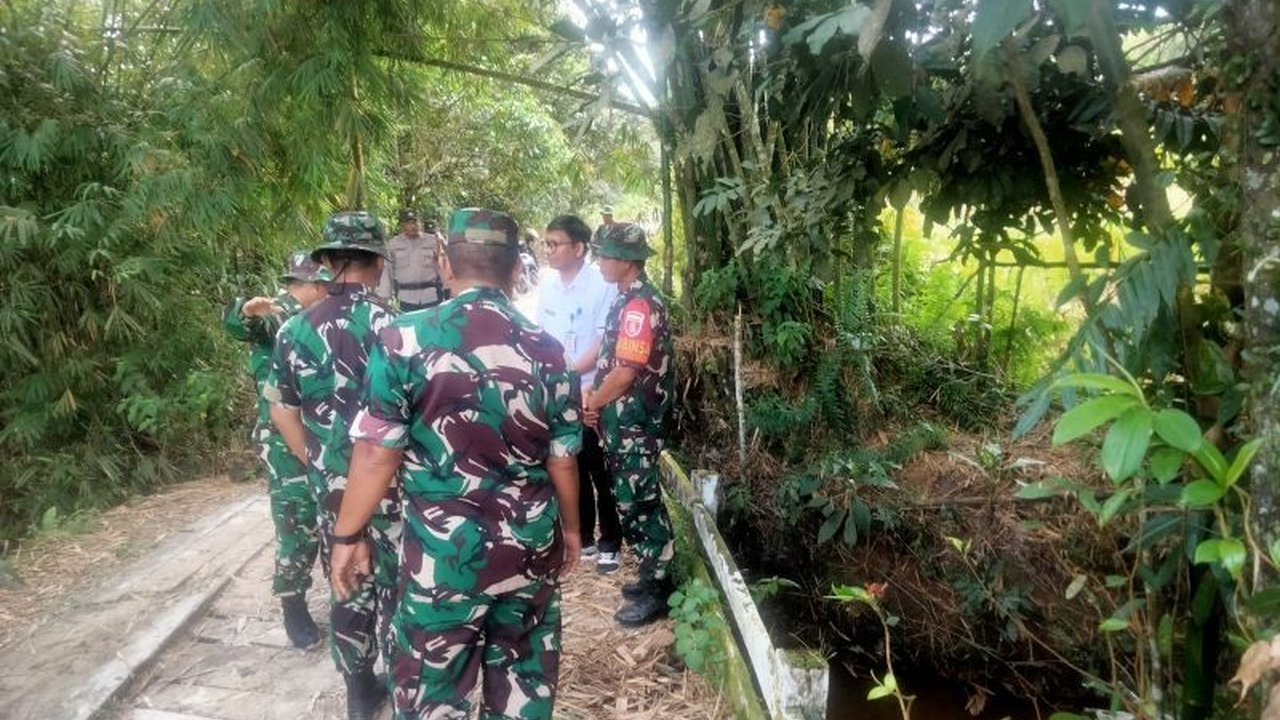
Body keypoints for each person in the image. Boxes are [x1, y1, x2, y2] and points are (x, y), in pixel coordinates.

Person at [331, 208, 583, 720]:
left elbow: (377, 453)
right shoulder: (549, 351)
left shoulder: (403, 339)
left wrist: (347, 535)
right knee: (523, 686)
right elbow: (563, 460)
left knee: (431, 694)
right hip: (529, 550)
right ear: (517, 269)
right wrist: (573, 530)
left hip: (442, 560)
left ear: (444, 263)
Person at [264, 211, 402, 720]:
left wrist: (317, 460)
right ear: (378, 262)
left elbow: (281, 408)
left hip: (334, 493)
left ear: (326, 261)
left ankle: (360, 692)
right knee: (398, 585)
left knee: (347, 583)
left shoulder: (294, 330)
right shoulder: (398, 328)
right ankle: (404, 684)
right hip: (392, 487)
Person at [223, 251, 332, 650]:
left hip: (326, 433)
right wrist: (245, 312)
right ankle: (293, 604)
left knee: (335, 518)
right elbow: (245, 323)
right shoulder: (279, 314)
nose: (328, 290)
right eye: (323, 284)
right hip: (285, 442)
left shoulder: (327, 317)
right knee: (297, 522)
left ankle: (341, 596)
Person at [582, 222, 676, 627]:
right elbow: (613, 364)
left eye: (604, 255)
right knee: (631, 500)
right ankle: (651, 574)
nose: (599, 261)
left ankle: (659, 587)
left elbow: (625, 374)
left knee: (640, 503)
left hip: (635, 424)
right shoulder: (627, 299)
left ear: (626, 261)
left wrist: (594, 402)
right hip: (624, 423)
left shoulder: (639, 306)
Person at [537, 214, 623, 574]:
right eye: (547, 244)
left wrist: (571, 372)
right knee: (569, 461)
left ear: (578, 248)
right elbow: (540, 335)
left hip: (592, 389)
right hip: (558, 389)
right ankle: (584, 535)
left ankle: (611, 542)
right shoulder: (547, 285)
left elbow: (604, 341)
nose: (549, 250)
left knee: (600, 466)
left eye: (555, 244)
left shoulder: (601, 285)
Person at [377, 209, 444, 311]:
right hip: (406, 298)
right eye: (409, 223)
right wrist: (384, 296)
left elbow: (442, 266)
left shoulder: (433, 241)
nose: (413, 226)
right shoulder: (393, 244)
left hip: (431, 296)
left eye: (416, 222)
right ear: (403, 225)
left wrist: (448, 290)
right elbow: (387, 271)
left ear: (421, 223)